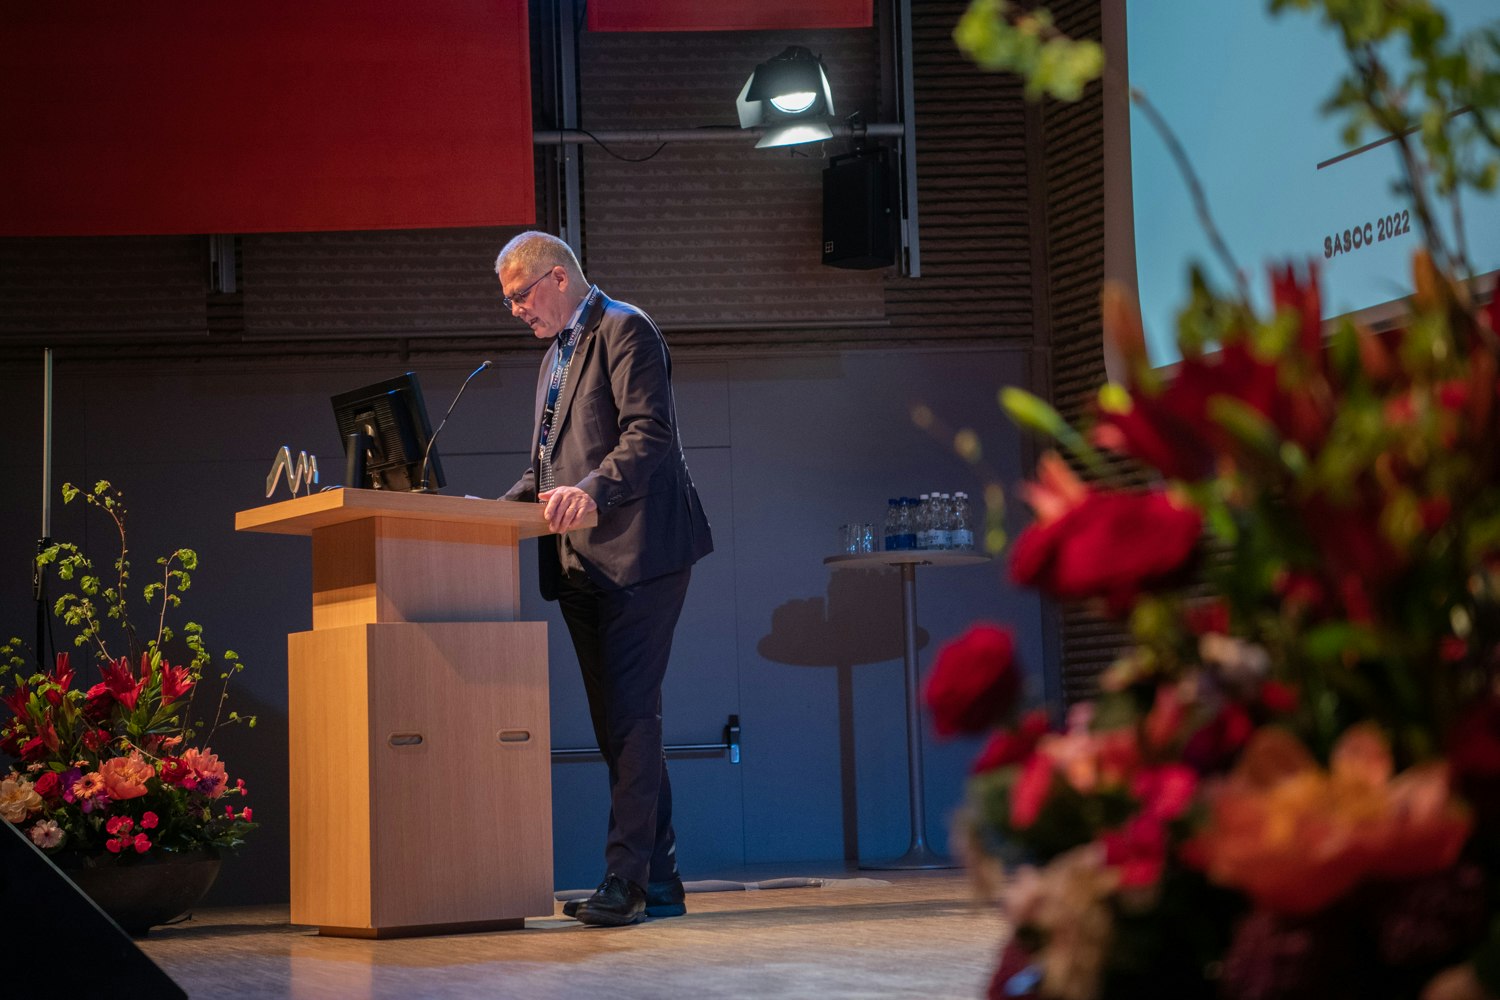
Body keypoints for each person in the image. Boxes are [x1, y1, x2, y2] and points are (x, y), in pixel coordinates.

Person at [496, 231, 713, 927]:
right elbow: (546, 469)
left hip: (640, 553)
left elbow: (649, 434)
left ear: (557, 278)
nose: (516, 311)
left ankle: (626, 882)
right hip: (579, 562)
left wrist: (591, 491)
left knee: (630, 716)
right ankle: (662, 881)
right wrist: (484, 513)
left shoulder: (625, 328)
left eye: (520, 296)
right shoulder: (554, 356)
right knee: (618, 723)